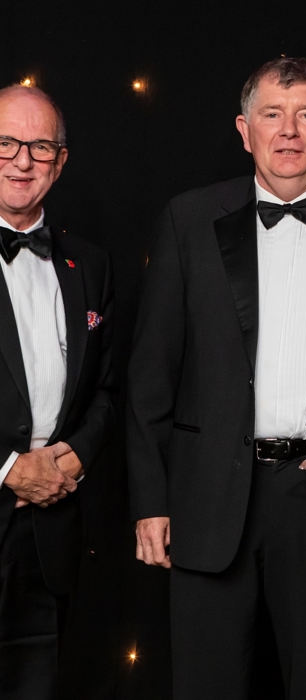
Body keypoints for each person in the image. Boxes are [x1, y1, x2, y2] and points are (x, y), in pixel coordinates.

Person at [126, 57, 306, 699]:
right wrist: (150, 500)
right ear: (245, 130)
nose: (289, 131)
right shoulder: (189, 220)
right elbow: (151, 374)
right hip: (208, 498)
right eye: (272, 114)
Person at [0, 85, 115, 698]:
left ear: (61, 161)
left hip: (52, 528)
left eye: (40, 147)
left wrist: (75, 453)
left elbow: (106, 387)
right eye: (6, 143)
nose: (23, 160)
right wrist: (7, 468)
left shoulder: (90, 265)